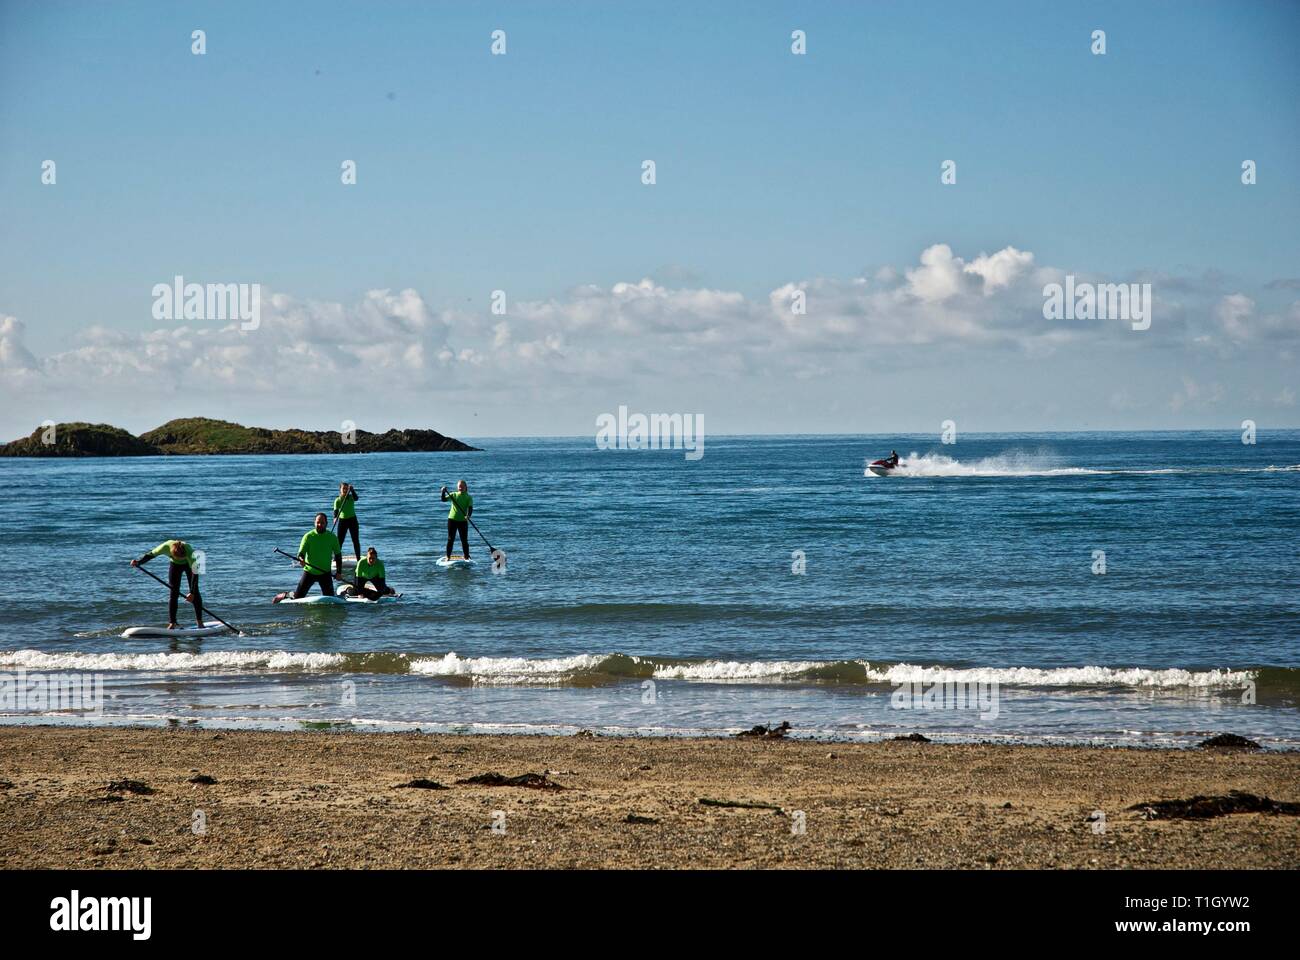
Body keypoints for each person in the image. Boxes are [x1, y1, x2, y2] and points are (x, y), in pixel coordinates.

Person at [131, 539, 203, 630]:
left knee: (195, 593)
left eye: (183, 558)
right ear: (172, 554)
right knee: (173, 593)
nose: (181, 560)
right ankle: (172, 623)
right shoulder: (165, 547)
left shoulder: (189, 551)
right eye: (179, 558)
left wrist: (192, 592)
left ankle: (200, 622)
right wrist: (138, 562)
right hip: (175, 566)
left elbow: (195, 573)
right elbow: (150, 555)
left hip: (190, 566)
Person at [274, 513, 342, 602]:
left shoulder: (332, 537)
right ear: (314, 523)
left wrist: (338, 572)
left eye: (322, 523)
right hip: (309, 572)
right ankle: (286, 595)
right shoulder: (308, 536)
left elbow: (338, 556)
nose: (320, 525)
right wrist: (301, 560)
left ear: (326, 523)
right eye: (318, 522)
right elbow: (301, 553)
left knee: (330, 600)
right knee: (297, 599)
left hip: (325, 573)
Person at [441, 480, 473, 559]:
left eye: (462, 486)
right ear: (457, 487)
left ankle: (466, 556)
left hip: (463, 521)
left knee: (464, 540)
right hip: (452, 520)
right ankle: (448, 556)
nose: (461, 487)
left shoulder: (468, 497)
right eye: (459, 486)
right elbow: (443, 499)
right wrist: (443, 492)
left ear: (466, 487)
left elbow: (470, 508)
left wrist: (468, 515)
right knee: (450, 539)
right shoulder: (453, 494)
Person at [333, 482, 361, 559]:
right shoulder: (338, 500)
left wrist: (352, 490)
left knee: (355, 540)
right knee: (339, 541)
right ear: (340, 490)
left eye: (346, 488)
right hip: (343, 521)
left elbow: (356, 498)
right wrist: (335, 518)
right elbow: (335, 511)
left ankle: (358, 558)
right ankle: (336, 558)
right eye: (343, 488)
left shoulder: (351, 497)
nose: (345, 490)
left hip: (352, 520)